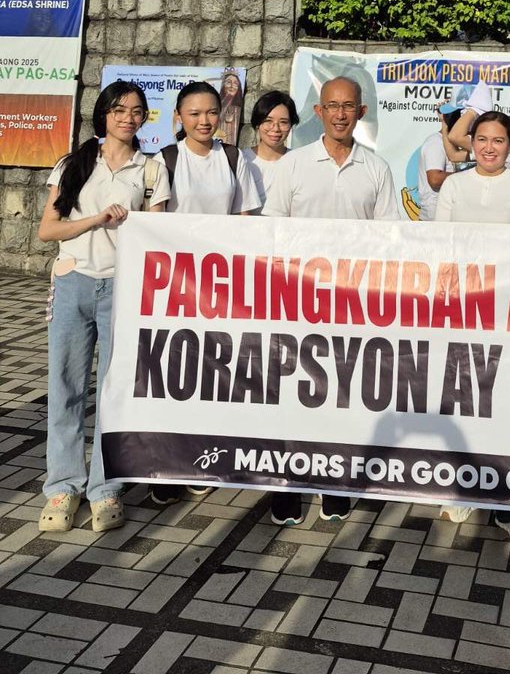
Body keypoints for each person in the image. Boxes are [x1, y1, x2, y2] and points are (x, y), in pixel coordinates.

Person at [264, 76, 401, 524]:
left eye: (349, 106)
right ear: (319, 112)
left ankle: (334, 482)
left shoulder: (377, 169)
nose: (341, 114)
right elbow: (272, 231)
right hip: (297, 301)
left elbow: (390, 239)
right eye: (332, 106)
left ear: (361, 113)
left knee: (343, 397)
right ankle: (287, 485)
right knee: (292, 394)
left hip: (354, 306)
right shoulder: (295, 165)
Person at [37, 81, 170, 533]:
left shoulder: (150, 170)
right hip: (73, 281)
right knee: (67, 387)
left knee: (115, 393)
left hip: (124, 288)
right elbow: (47, 231)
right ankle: (62, 485)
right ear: (103, 114)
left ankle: (105, 488)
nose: (127, 118)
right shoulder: (73, 164)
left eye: (136, 111)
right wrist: (96, 219)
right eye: (118, 110)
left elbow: (161, 236)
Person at [434, 110, 510, 548]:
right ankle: (464, 487)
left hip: (508, 314)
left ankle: (509, 508)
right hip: (461, 310)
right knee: (464, 401)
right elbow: (438, 247)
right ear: (471, 142)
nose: (489, 148)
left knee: (505, 407)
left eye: (498, 140)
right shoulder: (455, 185)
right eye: (481, 139)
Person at [149, 80, 260, 506]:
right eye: (194, 113)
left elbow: (246, 221)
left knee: (211, 377)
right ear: (178, 117)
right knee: (170, 378)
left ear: (223, 116)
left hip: (221, 289)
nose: (204, 121)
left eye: (211, 112)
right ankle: (164, 463)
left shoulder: (233, 158)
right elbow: (154, 226)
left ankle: (201, 458)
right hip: (174, 290)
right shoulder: (164, 161)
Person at [241, 90, 299, 209]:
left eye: (283, 122)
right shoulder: (241, 160)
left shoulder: (298, 161)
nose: (276, 129)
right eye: (268, 121)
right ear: (257, 123)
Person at [416, 107, 459, 222]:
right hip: (434, 220)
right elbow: (435, 179)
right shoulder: (436, 143)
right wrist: (465, 174)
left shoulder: (453, 143)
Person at [216, 68, 244, 147]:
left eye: (235, 83)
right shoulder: (216, 106)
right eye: (228, 82)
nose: (232, 86)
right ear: (223, 85)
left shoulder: (237, 109)